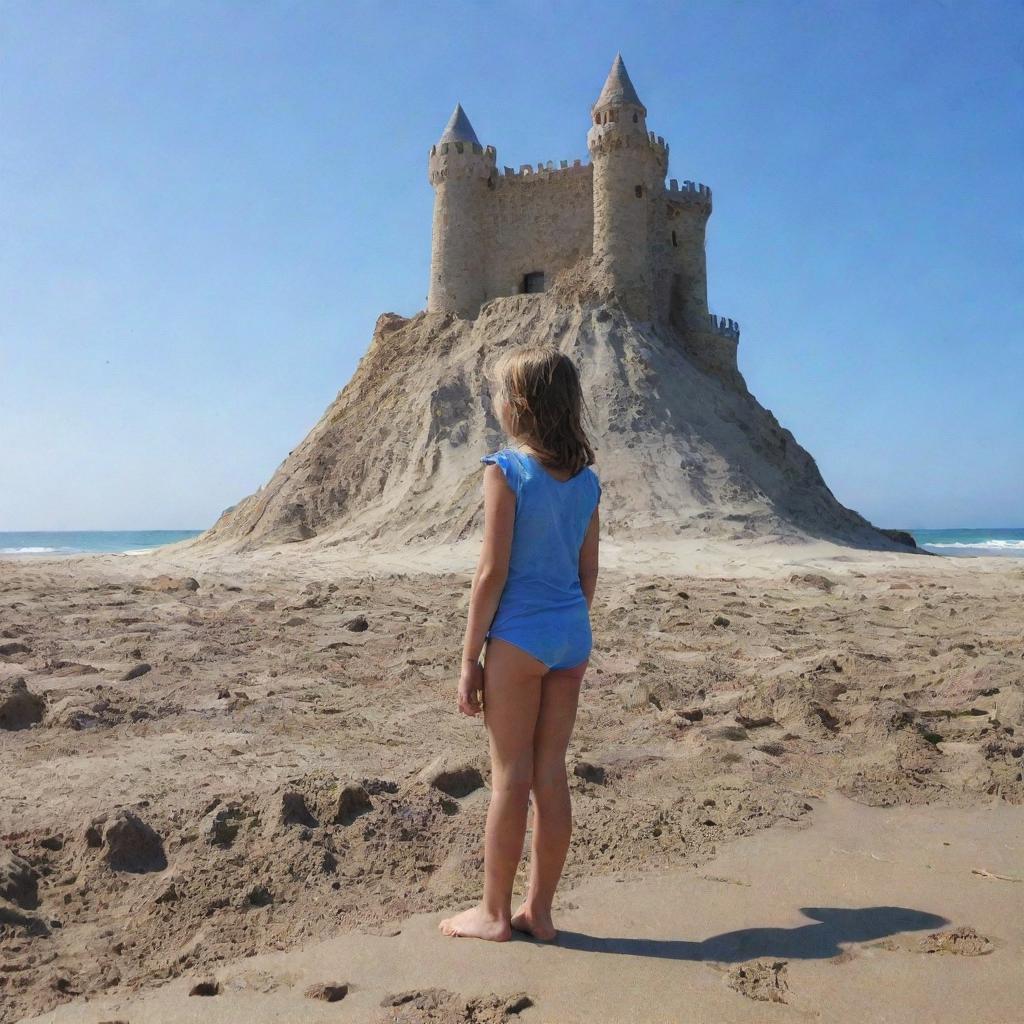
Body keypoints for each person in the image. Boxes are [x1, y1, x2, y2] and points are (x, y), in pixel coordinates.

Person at [438, 344, 601, 943]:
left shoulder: (505, 469)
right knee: (550, 771)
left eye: (500, 394)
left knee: (509, 777)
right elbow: (588, 573)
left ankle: (494, 914)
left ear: (520, 406)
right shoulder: (587, 482)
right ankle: (542, 912)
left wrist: (468, 660)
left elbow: (492, 573)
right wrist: (567, 626)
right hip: (570, 634)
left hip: (520, 637)